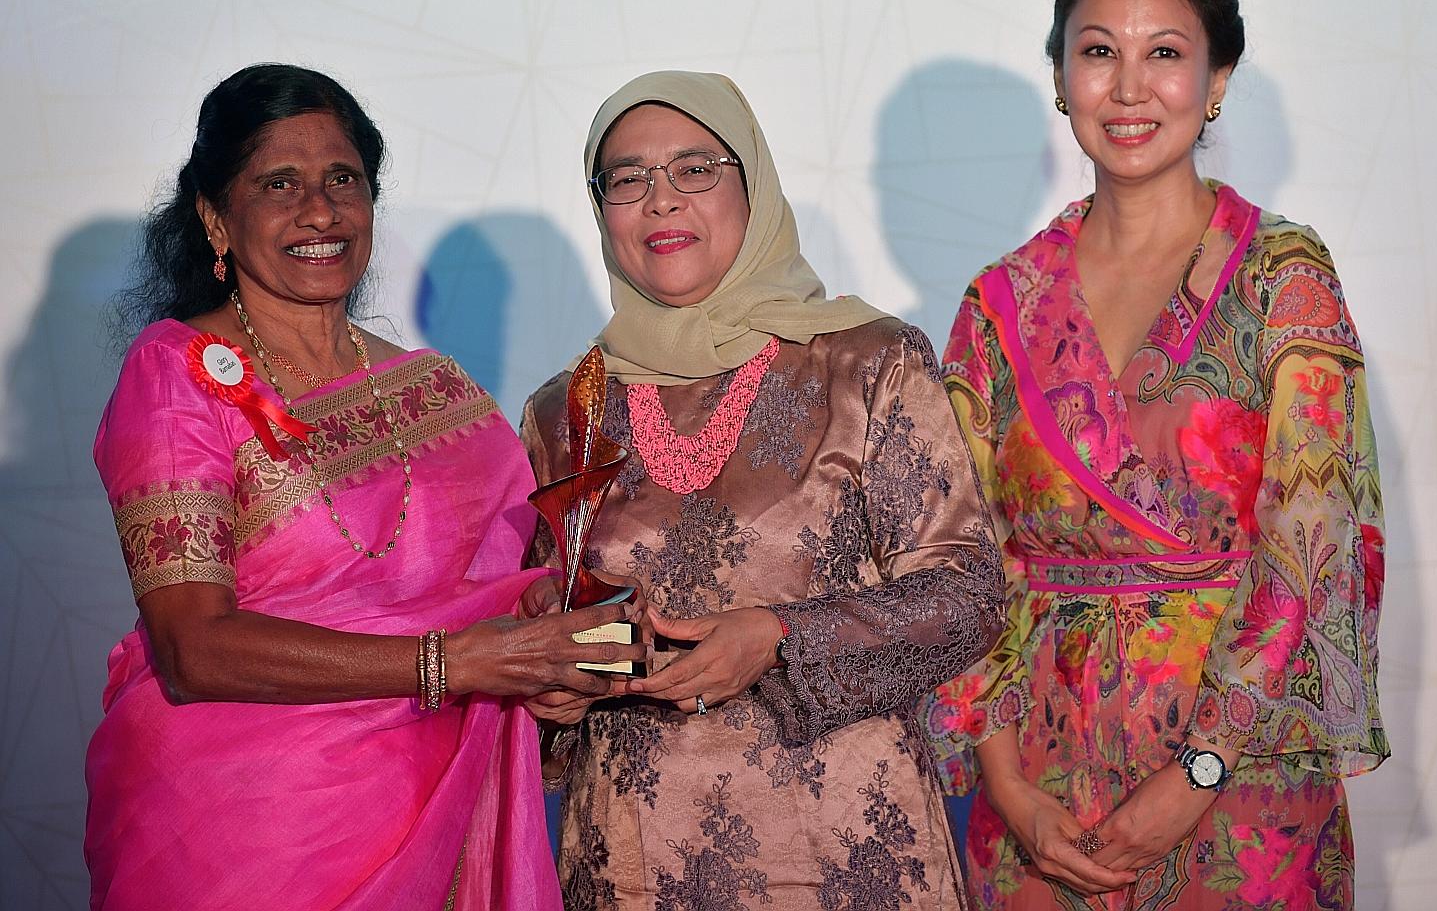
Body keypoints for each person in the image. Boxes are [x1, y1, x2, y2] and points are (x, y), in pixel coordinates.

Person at [86, 63, 644, 911]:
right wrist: (458, 661)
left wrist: (542, 634)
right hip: (246, 834)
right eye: (279, 183)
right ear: (215, 217)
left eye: (343, 179)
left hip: (435, 805)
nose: (320, 211)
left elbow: (505, 581)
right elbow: (191, 649)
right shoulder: (178, 374)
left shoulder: (438, 391)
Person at [924, 0, 1389, 910]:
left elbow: (1314, 540)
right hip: (1039, 791)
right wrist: (1008, 787)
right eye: (1099, 51)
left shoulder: (1283, 276)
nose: (1129, 87)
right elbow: (958, 559)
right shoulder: (999, 303)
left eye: (1164, 53)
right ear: (1062, 77)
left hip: (1242, 781)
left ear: (1217, 80)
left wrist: (1199, 774)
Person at [519, 69, 1005, 909]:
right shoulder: (566, 410)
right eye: (627, 178)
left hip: (846, 851)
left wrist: (778, 637)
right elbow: (539, 628)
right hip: (634, 857)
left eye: (695, 168)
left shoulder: (866, 362)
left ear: (753, 185)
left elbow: (969, 596)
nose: (661, 200)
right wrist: (550, 688)